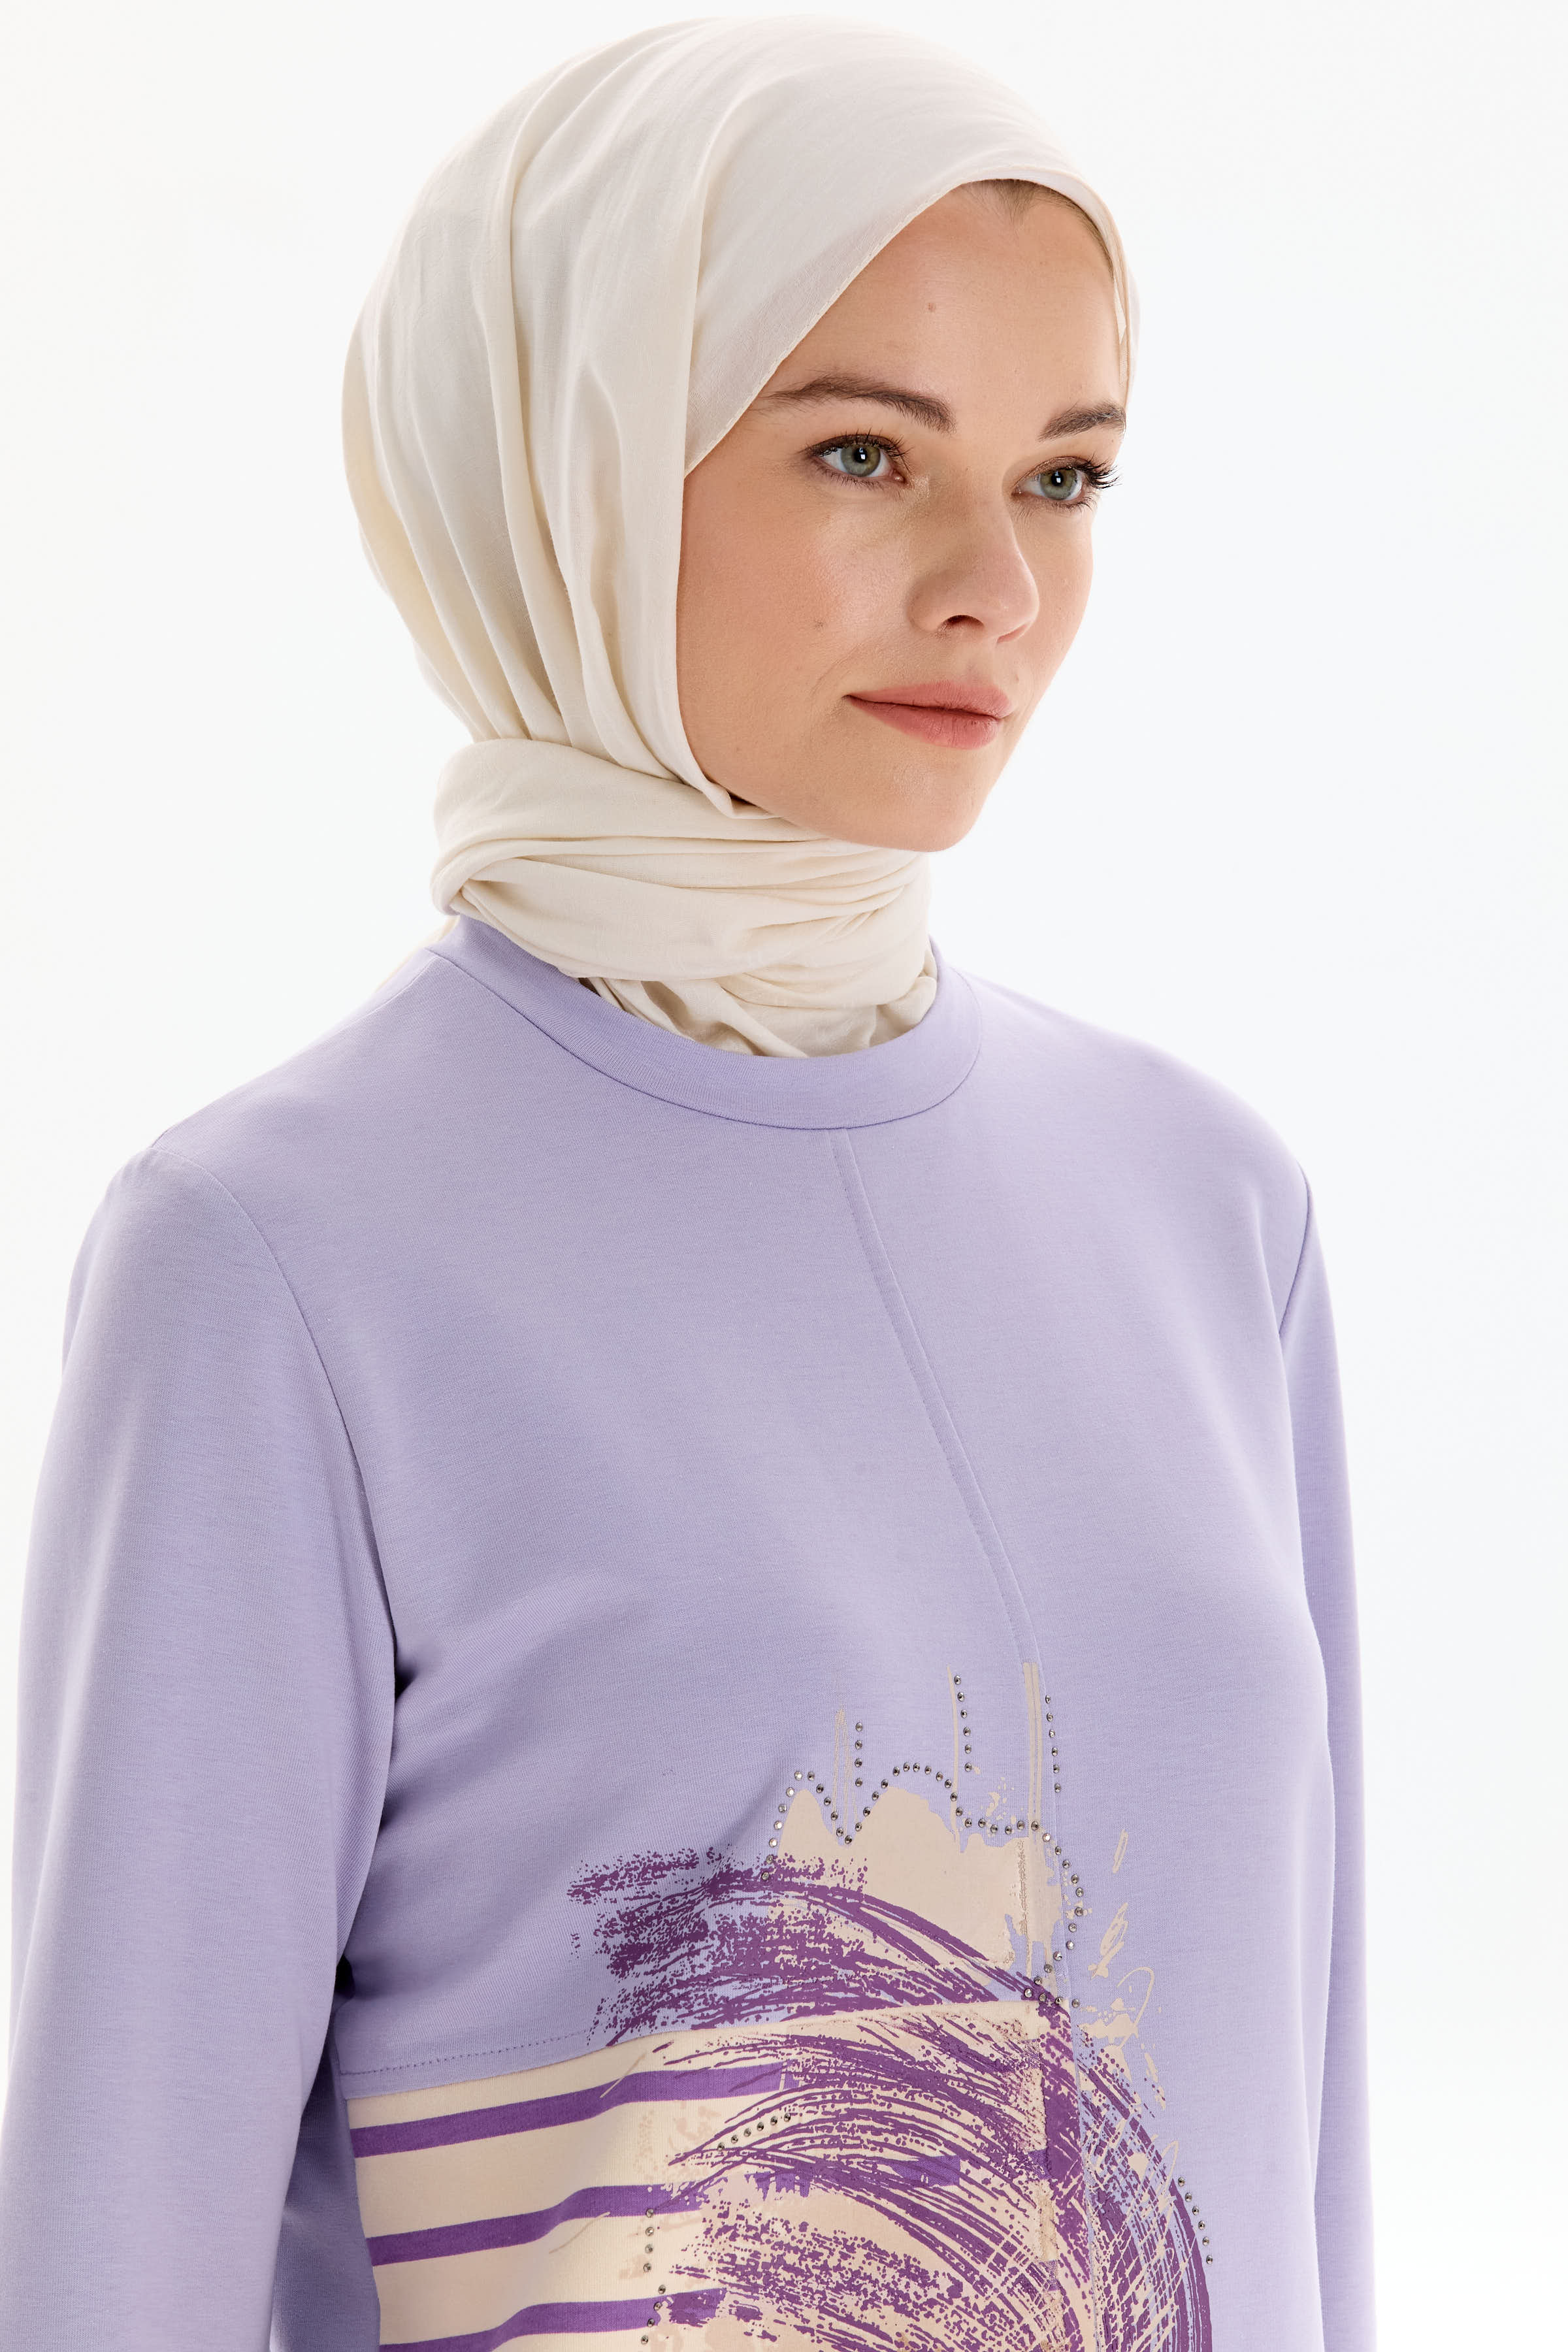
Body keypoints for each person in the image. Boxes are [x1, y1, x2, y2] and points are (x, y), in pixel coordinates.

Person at [0, 19, 1373, 2349]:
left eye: (1065, 476)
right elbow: (118, 2247)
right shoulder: (282, 1256)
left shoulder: (1210, 1210)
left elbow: (1306, 2175)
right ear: (572, 475)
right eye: (865, 452)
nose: (997, 586)